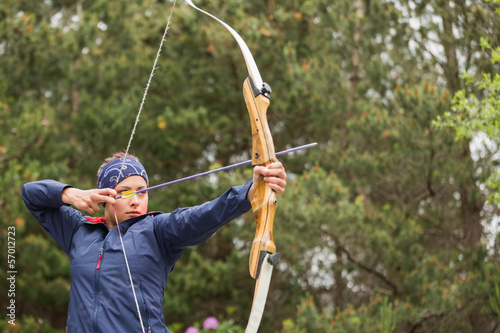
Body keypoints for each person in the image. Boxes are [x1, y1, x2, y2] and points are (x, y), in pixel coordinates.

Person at [22, 152, 287, 333]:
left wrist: (251, 192)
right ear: (104, 196)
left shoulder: (158, 230)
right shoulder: (79, 232)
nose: (136, 199)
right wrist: (70, 194)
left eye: (142, 190)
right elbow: (31, 194)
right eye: (125, 192)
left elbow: (205, 216)